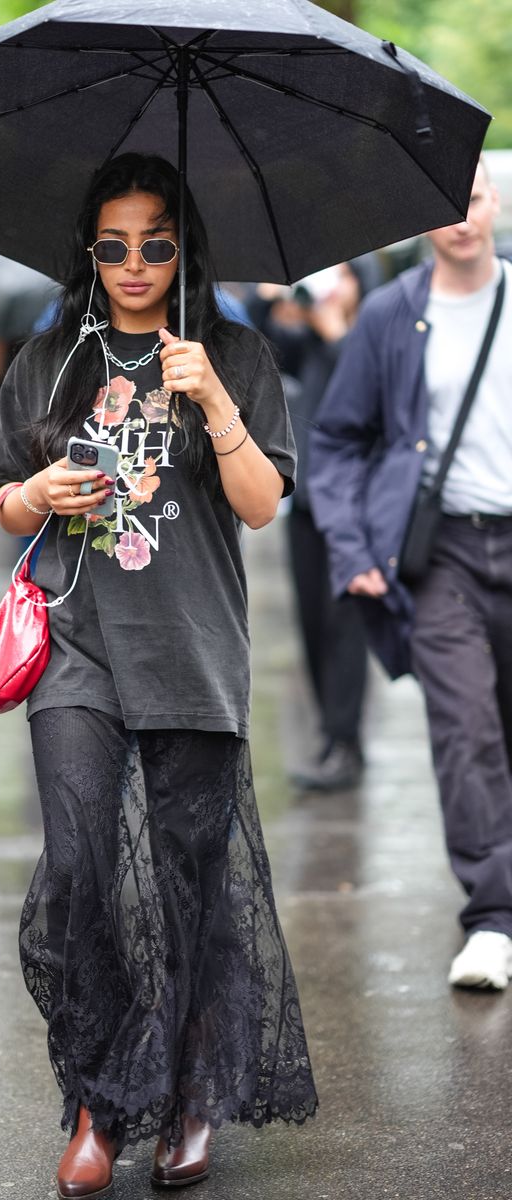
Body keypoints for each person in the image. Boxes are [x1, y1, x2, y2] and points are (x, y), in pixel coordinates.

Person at [0, 153, 317, 1198]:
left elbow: (261, 504)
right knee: (82, 872)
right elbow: (4, 511)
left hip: (191, 650)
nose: (135, 264)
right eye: (114, 245)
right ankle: (94, 1099)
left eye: (157, 243)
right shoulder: (46, 360)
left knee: (184, 889)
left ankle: (183, 1096)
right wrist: (38, 490)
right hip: (75, 648)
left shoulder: (233, 353)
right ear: (88, 252)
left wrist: (212, 399)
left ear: (184, 250)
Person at [309, 159, 512, 991]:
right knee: (466, 730)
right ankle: (494, 919)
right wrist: (352, 549)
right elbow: (335, 439)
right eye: (443, 205)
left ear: (495, 202)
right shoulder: (394, 315)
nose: (460, 218)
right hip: (441, 554)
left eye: (472, 199)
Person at [249, 260, 382, 791]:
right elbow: (259, 336)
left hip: (356, 505)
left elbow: (371, 401)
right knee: (313, 625)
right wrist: (267, 295)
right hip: (307, 503)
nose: (332, 286)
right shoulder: (307, 339)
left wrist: (336, 337)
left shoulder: (369, 336)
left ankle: (346, 741)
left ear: (359, 286)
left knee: (347, 623)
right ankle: (332, 735)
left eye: (343, 277)